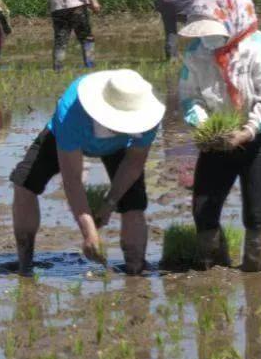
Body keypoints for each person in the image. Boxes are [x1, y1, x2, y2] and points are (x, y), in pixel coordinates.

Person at [10, 69, 165, 276]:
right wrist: (88, 231)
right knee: (25, 183)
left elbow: (134, 164)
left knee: (133, 203)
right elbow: (72, 179)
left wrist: (109, 204)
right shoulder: (72, 110)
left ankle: (136, 270)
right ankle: (25, 264)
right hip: (66, 136)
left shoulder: (147, 115)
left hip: (120, 147)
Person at [178, 0, 261, 272]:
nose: (206, 36)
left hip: (258, 140)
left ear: (233, 17)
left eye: (212, 28)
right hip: (217, 139)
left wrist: (247, 131)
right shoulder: (196, 52)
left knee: (256, 215)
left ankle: (254, 277)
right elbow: (190, 96)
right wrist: (205, 128)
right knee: (203, 208)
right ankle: (214, 269)